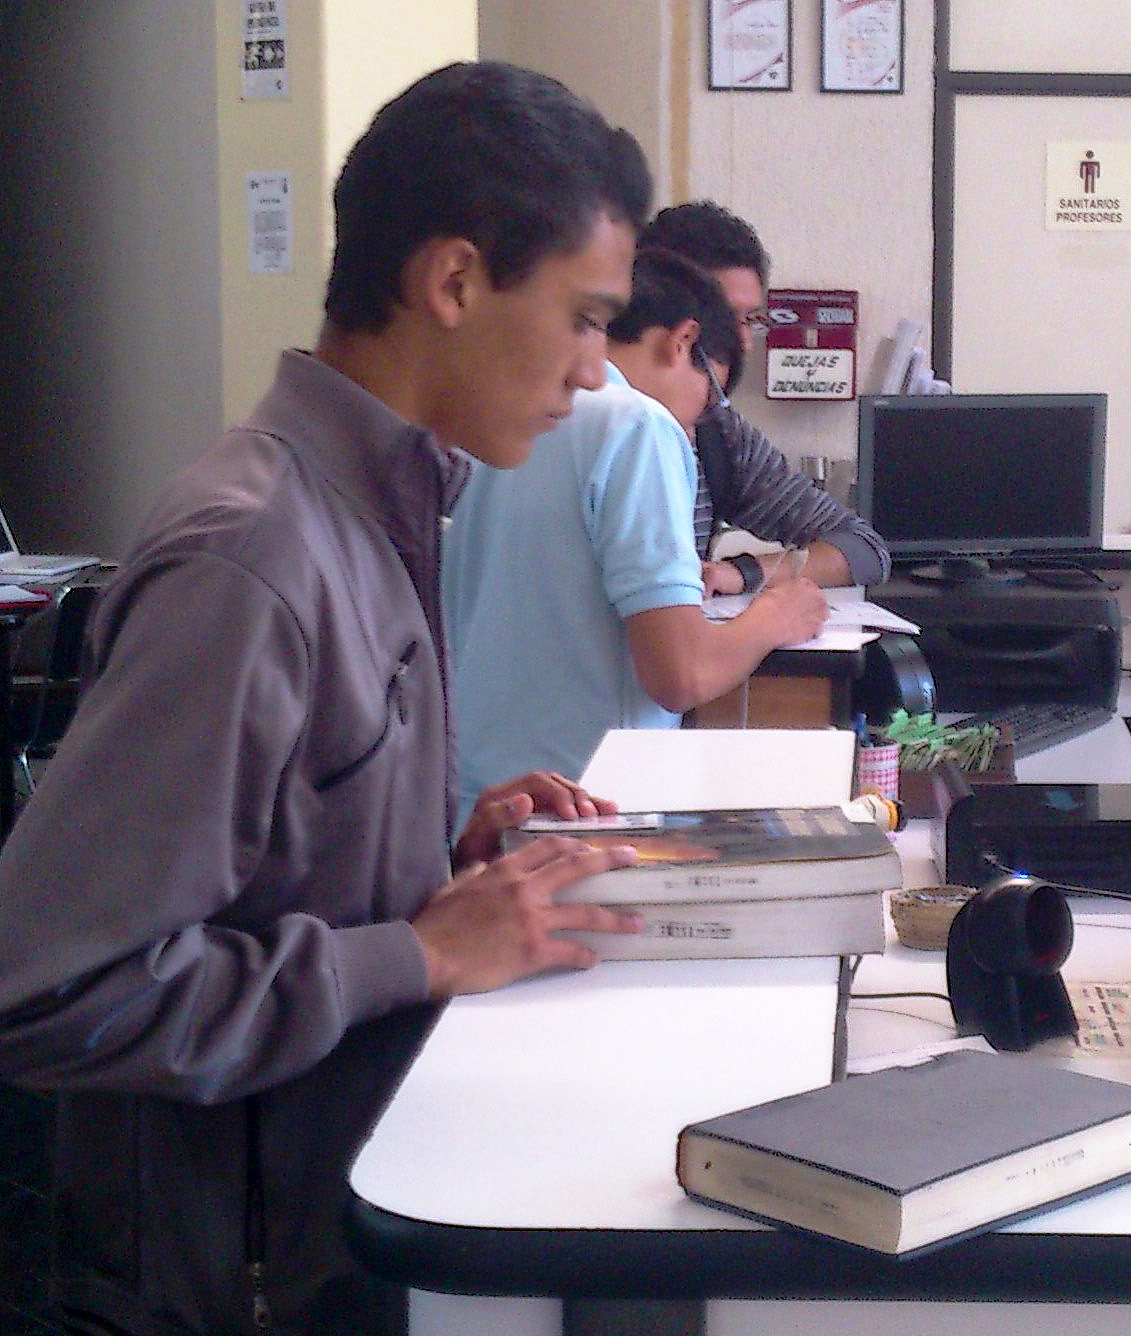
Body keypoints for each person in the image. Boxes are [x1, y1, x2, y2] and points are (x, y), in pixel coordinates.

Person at [0, 63, 656, 1335]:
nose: (593, 372)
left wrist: (433, 858)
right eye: (584, 318)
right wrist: (411, 949)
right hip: (222, 1291)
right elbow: (45, 990)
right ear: (455, 282)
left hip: (330, 1234)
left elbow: (262, 870)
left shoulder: (386, 509)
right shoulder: (252, 563)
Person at [443, 245, 827, 811]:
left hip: (472, 801)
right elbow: (680, 674)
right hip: (587, 800)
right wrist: (774, 617)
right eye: (711, 396)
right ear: (682, 342)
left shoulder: (497, 409)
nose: (697, 425)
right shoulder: (639, 424)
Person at [639, 200, 892, 591]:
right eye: (724, 319)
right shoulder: (585, 429)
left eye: (751, 321)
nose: (742, 342)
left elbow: (863, 549)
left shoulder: (719, 434)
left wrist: (743, 573)